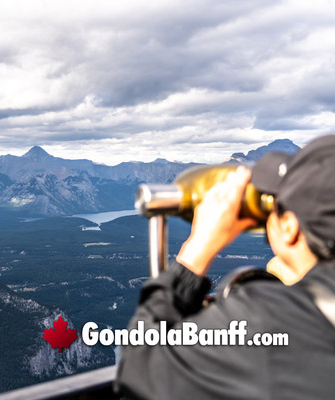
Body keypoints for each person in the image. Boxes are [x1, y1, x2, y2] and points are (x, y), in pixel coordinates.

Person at [114, 135, 335, 399]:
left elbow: (141, 361)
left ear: (288, 227)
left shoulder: (272, 319)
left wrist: (198, 247)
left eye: (277, 207)